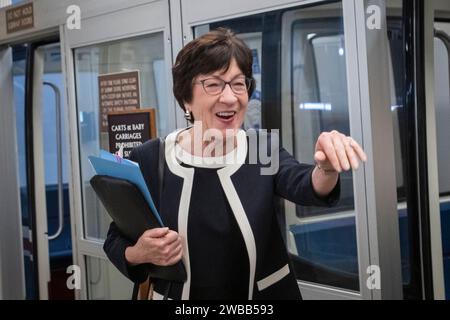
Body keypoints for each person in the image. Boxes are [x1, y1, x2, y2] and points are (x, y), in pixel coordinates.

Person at [103, 28, 367, 300]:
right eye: (214, 84)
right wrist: (139, 253)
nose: (230, 97)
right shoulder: (151, 157)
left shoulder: (262, 149)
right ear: (186, 98)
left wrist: (326, 167)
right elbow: (116, 239)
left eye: (238, 83)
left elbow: (306, 184)